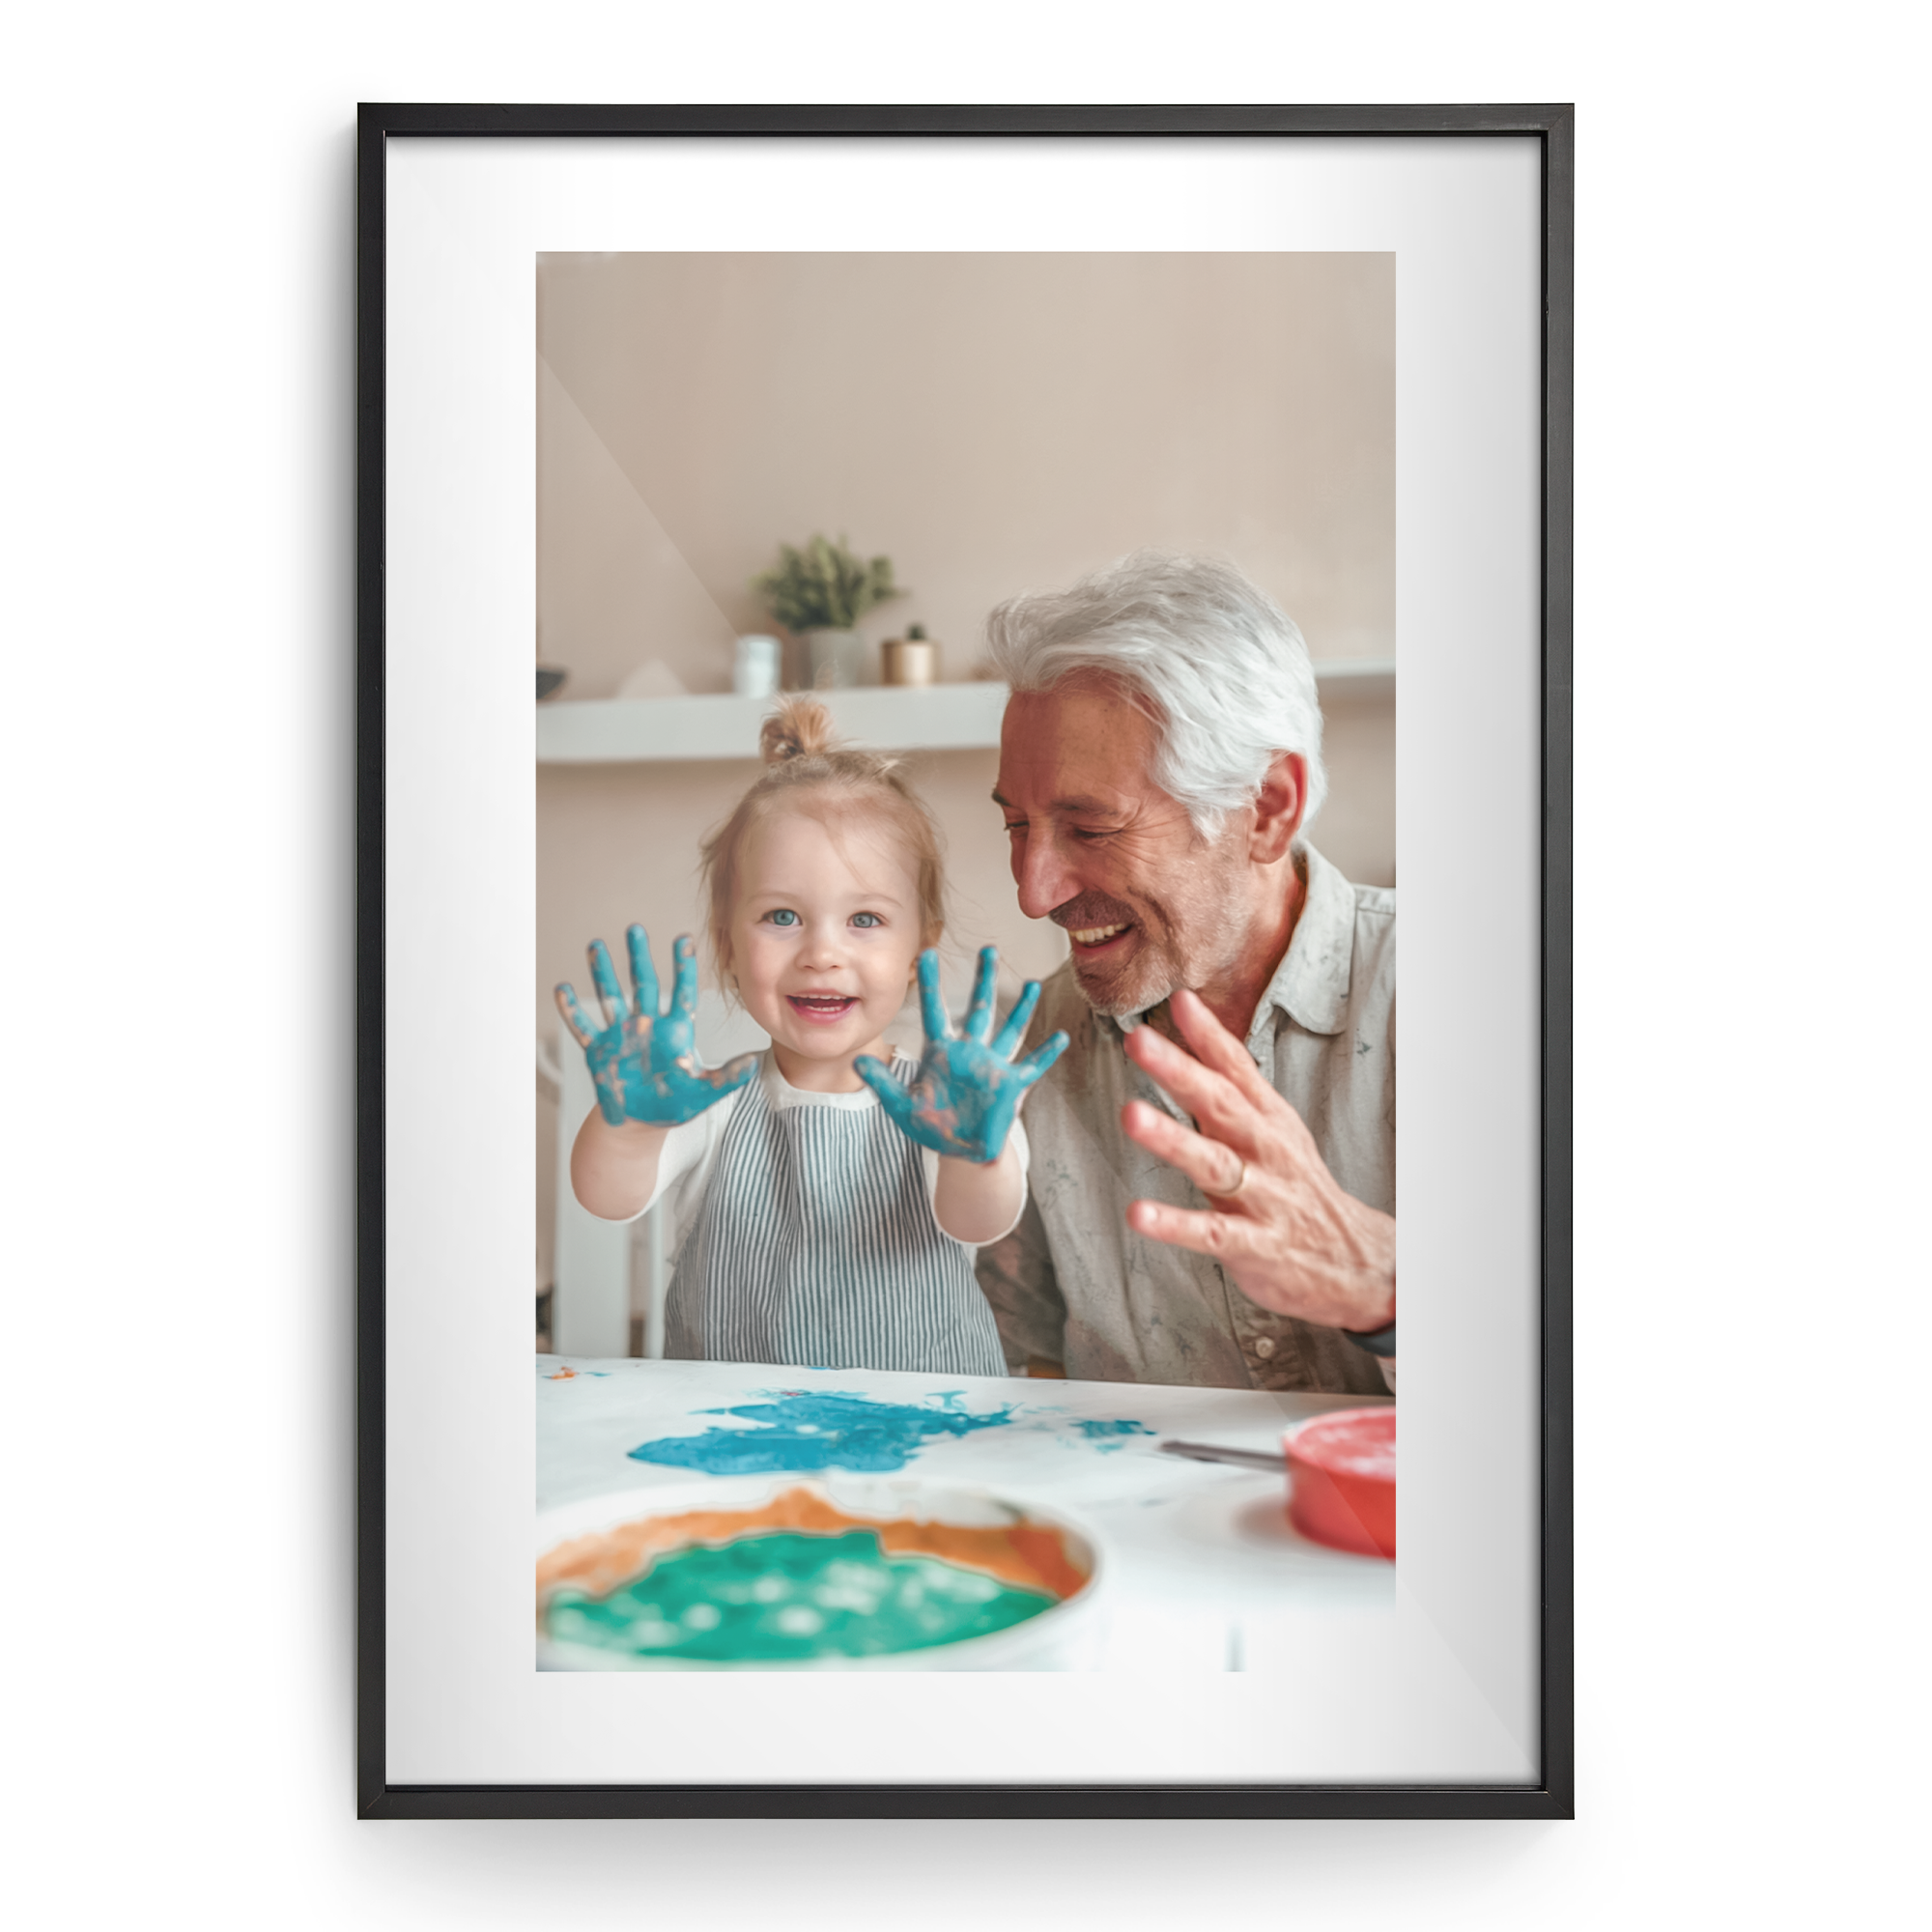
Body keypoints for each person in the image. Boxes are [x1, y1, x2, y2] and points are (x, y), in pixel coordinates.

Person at [974, 552, 1398, 1395]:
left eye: (1089, 829)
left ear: (1267, 808)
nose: (1034, 892)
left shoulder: (1489, 997)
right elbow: (1024, 1374)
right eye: (1017, 826)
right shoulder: (1029, 1049)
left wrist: (1387, 1290)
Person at [556, 696, 1066, 1376]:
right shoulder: (709, 1105)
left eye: (864, 920)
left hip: (924, 1433)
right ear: (726, 944)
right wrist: (630, 1129)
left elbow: (980, 1223)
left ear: (922, 944)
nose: (822, 953)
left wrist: (978, 1154)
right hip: (732, 1432)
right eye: (781, 916)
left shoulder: (948, 1106)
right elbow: (605, 1196)